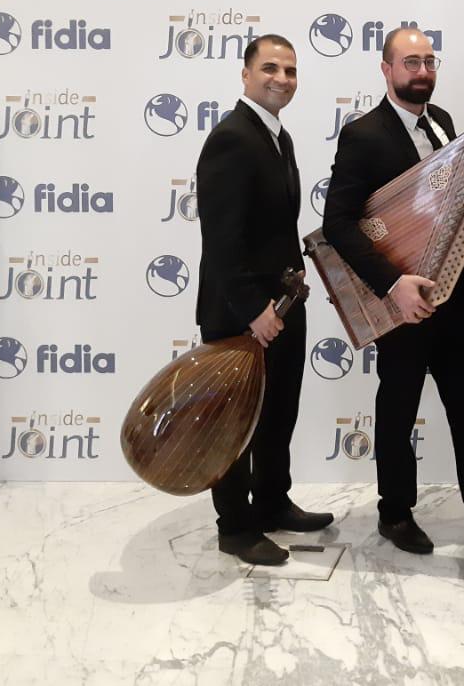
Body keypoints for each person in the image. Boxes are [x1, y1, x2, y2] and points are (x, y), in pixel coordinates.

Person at [322, 27, 464, 554]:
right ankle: (394, 514)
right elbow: (338, 223)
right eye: (410, 62)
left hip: (452, 295)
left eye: (429, 62)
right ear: (387, 69)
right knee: (399, 409)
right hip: (403, 303)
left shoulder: (441, 121)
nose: (422, 71)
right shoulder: (363, 135)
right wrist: (393, 286)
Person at [195, 34, 334, 566]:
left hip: (283, 305)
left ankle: (273, 502)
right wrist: (254, 309)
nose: (282, 79)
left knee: (277, 414)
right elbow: (221, 239)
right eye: (270, 68)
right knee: (235, 425)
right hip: (241, 314)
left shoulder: (279, 136)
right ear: (246, 74)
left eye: (290, 71)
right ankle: (235, 527)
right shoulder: (232, 138)